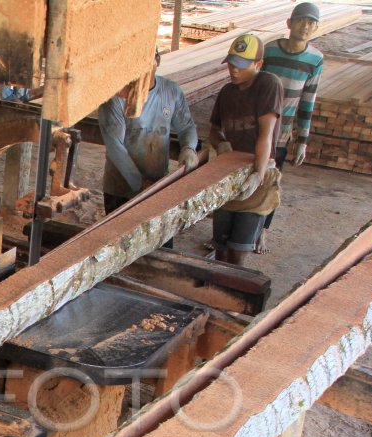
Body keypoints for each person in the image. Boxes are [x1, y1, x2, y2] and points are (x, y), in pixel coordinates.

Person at [208, 33, 284, 267]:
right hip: (229, 172)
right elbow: (213, 129)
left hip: (257, 169)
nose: (234, 70)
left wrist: (258, 175)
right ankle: (216, 284)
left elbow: (266, 134)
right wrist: (221, 143)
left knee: (238, 248)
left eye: (241, 66)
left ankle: (231, 285)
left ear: (258, 64)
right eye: (231, 64)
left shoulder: (268, 84)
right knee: (220, 244)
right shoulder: (227, 92)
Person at [96, 50, 200, 216]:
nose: (141, 66)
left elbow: (186, 126)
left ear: (157, 60)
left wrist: (189, 147)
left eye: (147, 59)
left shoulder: (170, 91)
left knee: (163, 239)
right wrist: (140, 183)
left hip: (158, 184)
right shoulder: (116, 99)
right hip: (121, 190)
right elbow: (115, 147)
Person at [259, 1, 324, 249]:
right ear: (289, 23)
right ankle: (228, 232)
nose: (305, 26)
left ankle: (263, 229)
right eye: (300, 21)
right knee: (246, 176)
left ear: (316, 27)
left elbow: (308, 101)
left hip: (282, 135)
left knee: (272, 181)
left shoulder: (315, 59)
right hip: (258, 129)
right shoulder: (270, 51)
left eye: (310, 23)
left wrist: (302, 141)